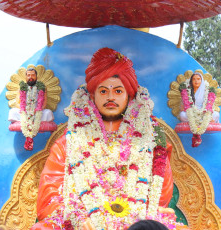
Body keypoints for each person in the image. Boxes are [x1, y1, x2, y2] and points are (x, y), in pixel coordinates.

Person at [31, 48, 176, 230]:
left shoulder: (150, 140)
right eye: (103, 91)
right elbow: (49, 194)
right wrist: (77, 219)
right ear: (92, 96)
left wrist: (137, 219)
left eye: (117, 91)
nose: (110, 97)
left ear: (129, 96)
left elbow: (160, 195)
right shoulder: (71, 140)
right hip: (84, 222)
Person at [8, 67, 54, 150]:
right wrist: (26, 111)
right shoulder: (21, 87)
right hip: (24, 112)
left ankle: (33, 121)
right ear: (26, 77)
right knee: (12, 112)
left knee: (48, 113)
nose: (30, 77)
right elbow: (17, 102)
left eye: (33, 75)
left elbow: (44, 103)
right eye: (28, 75)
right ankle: (27, 121)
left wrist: (37, 110)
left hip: (38, 112)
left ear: (36, 76)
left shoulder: (42, 88)